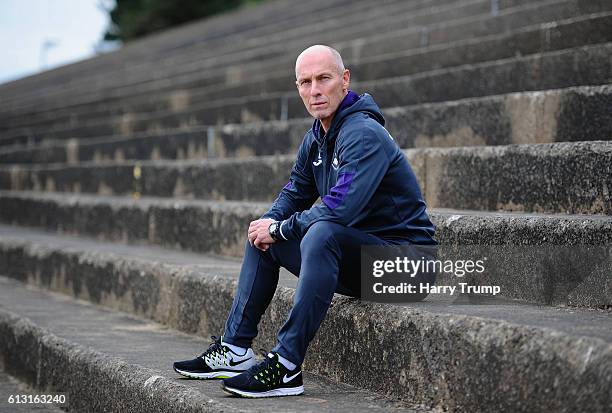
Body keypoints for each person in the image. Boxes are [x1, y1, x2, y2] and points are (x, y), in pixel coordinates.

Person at [173, 44, 436, 398]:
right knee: (263, 237)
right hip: (360, 259)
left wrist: (280, 227)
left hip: (406, 269)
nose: (314, 90)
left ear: (344, 80)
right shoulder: (316, 137)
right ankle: (235, 350)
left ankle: (285, 365)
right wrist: (268, 224)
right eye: (305, 82)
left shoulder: (363, 133)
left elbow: (339, 209)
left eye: (323, 79)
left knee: (320, 233)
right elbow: (295, 191)